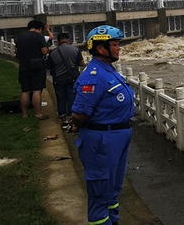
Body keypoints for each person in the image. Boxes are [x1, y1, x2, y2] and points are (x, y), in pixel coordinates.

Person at [71, 25, 134, 225]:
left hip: (117, 138)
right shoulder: (94, 75)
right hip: (102, 141)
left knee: (113, 191)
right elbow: (79, 114)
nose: (119, 48)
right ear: (100, 48)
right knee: (100, 194)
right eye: (114, 45)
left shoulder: (109, 71)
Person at [15, 20, 53, 120]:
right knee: (36, 91)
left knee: (25, 91)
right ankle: (38, 114)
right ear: (40, 29)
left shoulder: (21, 37)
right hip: (37, 66)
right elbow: (44, 52)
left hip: (23, 66)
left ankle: (24, 114)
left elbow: (16, 51)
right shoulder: (39, 37)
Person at [47, 32, 85, 128]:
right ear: (68, 40)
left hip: (58, 79)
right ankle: (72, 119)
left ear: (58, 41)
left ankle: (64, 121)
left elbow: (49, 67)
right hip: (72, 78)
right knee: (72, 98)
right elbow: (82, 63)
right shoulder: (75, 49)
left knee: (60, 99)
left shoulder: (53, 53)